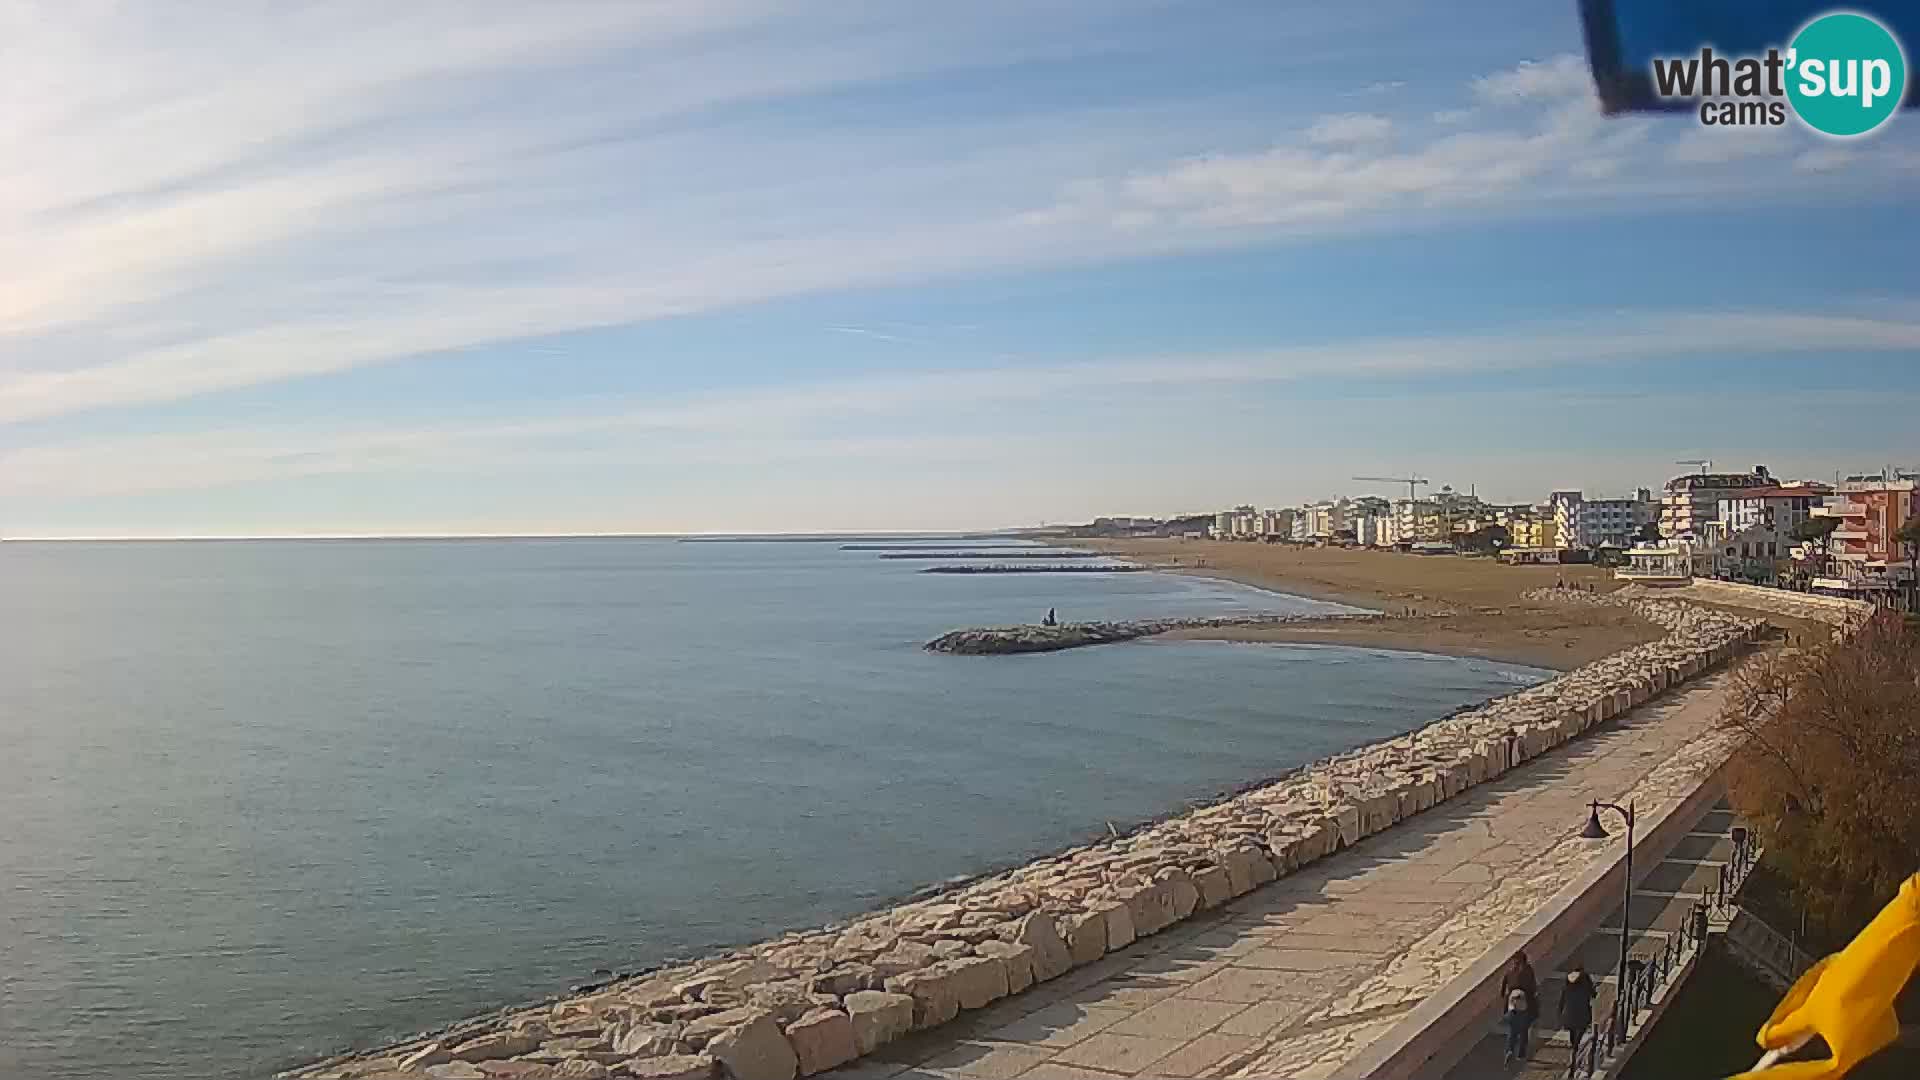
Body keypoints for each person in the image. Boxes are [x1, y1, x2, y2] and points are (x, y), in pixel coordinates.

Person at [1500, 951, 1538, 1064]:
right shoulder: (1528, 971)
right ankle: (1521, 1054)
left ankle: (1510, 1050)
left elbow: (1502, 990)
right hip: (1525, 1006)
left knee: (1512, 1031)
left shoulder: (1509, 972)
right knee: (1524, 1031)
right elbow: (1533, 987)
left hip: (1511, 1007)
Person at [1560, 963, 1597, 1055]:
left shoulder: (1567, 984)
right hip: (1582, 1011)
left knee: (1572, 1028)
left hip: (1569, 1012)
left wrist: (1560, 1012)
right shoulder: (1585, 980)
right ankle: (1576, 1046)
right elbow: (1593, 994)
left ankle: (1574, 1045)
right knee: (1582, 1026)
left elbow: (1562, 1000)